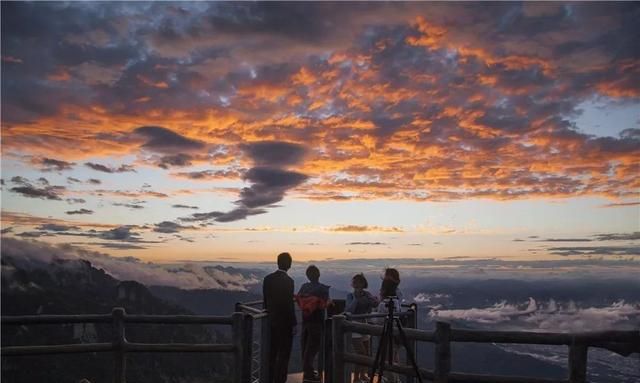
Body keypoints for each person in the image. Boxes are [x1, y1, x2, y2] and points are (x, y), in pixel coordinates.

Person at [263, 252, 297, 383]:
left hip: (270, 320)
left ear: (277, 262)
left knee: (271, 352)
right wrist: (294, 323)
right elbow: (289, 304)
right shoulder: (289, 281)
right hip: (285, 323)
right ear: (289, 265)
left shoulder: (267, 279)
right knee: (284, 354)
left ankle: (269, 378)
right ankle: (280, 380)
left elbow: (266, 299)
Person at [295, 265, 330, 383]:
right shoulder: (323, 289)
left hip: (305, 320)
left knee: (305, 347)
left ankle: (307, 372)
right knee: (313, 347)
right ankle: (309, 373)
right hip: (317, 321)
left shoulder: (304, 287)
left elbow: (298, 300)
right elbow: (325, 304)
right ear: (318, 275)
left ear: (307, 276)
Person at [345, 273, 379, 383]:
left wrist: (374, 300)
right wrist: (357, 298)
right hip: (354, 326)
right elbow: (349, 310)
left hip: (364, 325)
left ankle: (363, 375)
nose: (357, 285)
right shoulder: (350, 296)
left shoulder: (367, 294)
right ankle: (356, 379)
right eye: (355, 282)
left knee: (367, 353)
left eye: (359, 282)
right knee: (361, 353)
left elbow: (374, 305)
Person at [375, 268, 403, 383]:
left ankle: (391, 379)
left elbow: (379, 320)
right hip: (396, 331)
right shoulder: (397, 299)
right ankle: (396, 379)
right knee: (394, 355)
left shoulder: (383, 304)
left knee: (387, 358)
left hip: (385, 333)